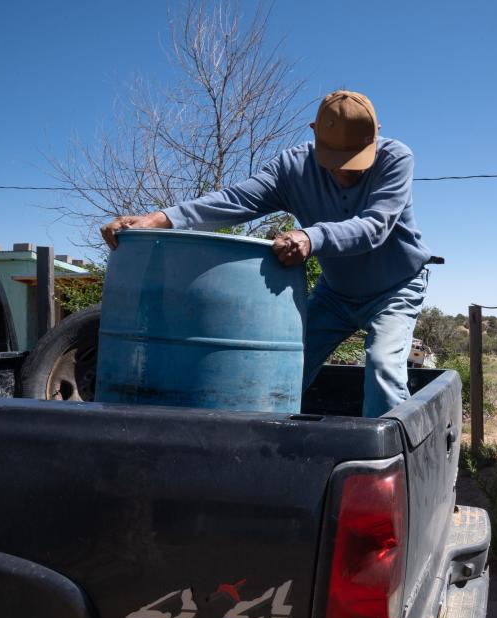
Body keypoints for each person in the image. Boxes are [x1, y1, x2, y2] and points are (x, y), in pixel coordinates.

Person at [100, 90, 432, 417]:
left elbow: (375, 226)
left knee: (383, 366)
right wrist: (158, 219)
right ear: (315, 135)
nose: (346, 173)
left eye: (356, 162)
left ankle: (389, 463)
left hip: (395, 289)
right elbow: (234, 200)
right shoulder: (292, 169)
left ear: (376, 136)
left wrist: (309, 236)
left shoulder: (396, 159)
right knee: (284, 365)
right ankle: (265, 450)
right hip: (337, 294)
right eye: (335, 163)